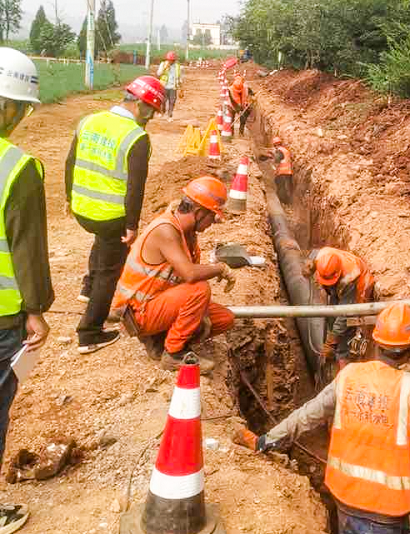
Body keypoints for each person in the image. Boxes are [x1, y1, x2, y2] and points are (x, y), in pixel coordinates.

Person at [233, 303, 410, 534]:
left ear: (375, 340)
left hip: (343, 498)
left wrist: (264, 441)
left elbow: (307, 415)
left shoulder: (348, 376)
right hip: (384, 512)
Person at [65, 75, 165, 354]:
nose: (151, 118)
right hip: (110, 215)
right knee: (111, 270)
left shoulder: (89, 121)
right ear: (142, 106)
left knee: (102, 241)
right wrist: (131, 225)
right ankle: (89, 333)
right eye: (152, 112)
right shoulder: (137, 137)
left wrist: (68, 197)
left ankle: (87, 288)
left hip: (83, 208)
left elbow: (70, 162)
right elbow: (135, 188)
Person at [0, 47, 54, 532]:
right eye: (20, 108)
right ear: (7, 107)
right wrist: (35, 309)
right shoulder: (17, 166)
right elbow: (27, 249)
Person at [111, 176, 237, 375]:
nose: (213, 222)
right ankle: (173, 353)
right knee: (199, 289)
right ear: (199, 212)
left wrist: (198, 313)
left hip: (157, 302)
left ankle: (160, 340)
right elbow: (190, 275)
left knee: (224, 319)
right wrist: (221, 269)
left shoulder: (187, 233)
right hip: (137, 312)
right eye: (212, 216)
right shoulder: (165, 231)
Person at [303, 247, 374, 375]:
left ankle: (344, 360)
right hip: (339, 283)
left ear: (337, 274)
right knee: (332, 315)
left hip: (359, 287)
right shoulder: (322, 257)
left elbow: (344, 315)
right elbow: (313, 255)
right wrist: (308, 265)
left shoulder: (349, 280)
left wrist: (331, 341)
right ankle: (333, 349)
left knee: (347, 326)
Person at [157, 51, 182, 122]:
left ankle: (170, 115)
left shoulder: (178, 66)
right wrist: (165, 68)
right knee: (163, 101)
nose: (171, 61)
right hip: (164, 86)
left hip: (173, 87)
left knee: (172, 102)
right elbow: (158, 74)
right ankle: (162, 111)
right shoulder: (163, 64)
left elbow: (180, 77)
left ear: (174, 60)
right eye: (169, 60)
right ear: (167, 59)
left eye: (172, 60)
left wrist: (181, 88)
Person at [271, 136, 293, 203]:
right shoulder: (285, 150)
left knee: (281, 189)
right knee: (287, 189)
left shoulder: (279, 150)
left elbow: (277, 160)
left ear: (275, 144)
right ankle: (289, 204)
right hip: (289, 172)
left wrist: (275, 170)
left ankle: (283, 204)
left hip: (282, 172)